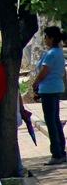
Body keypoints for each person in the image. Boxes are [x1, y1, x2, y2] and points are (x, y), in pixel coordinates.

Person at [31, 26, 65, 165]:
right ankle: (61, 150)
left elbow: (44, 71)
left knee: (51, 122)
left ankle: (56, 153)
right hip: (55, 88)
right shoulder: (59, 52)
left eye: (46, 37)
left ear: (51, 38)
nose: (45, 39)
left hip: (48, 89)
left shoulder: (51, 54)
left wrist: (35, 83)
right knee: (55, 120)